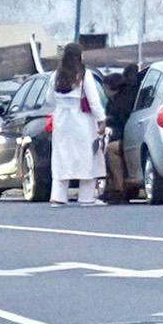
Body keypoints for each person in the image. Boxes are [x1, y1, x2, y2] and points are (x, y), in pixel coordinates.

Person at [46, 41, 113, 207]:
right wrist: (101, 120)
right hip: (82, 120)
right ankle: (86, 196)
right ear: (79, 56)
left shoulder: (56, 75)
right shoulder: (84, 74)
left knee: (62, 156)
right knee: (86, 156)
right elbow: (94, 100)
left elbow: (49, 99)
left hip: (62, 120)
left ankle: (58, 196)